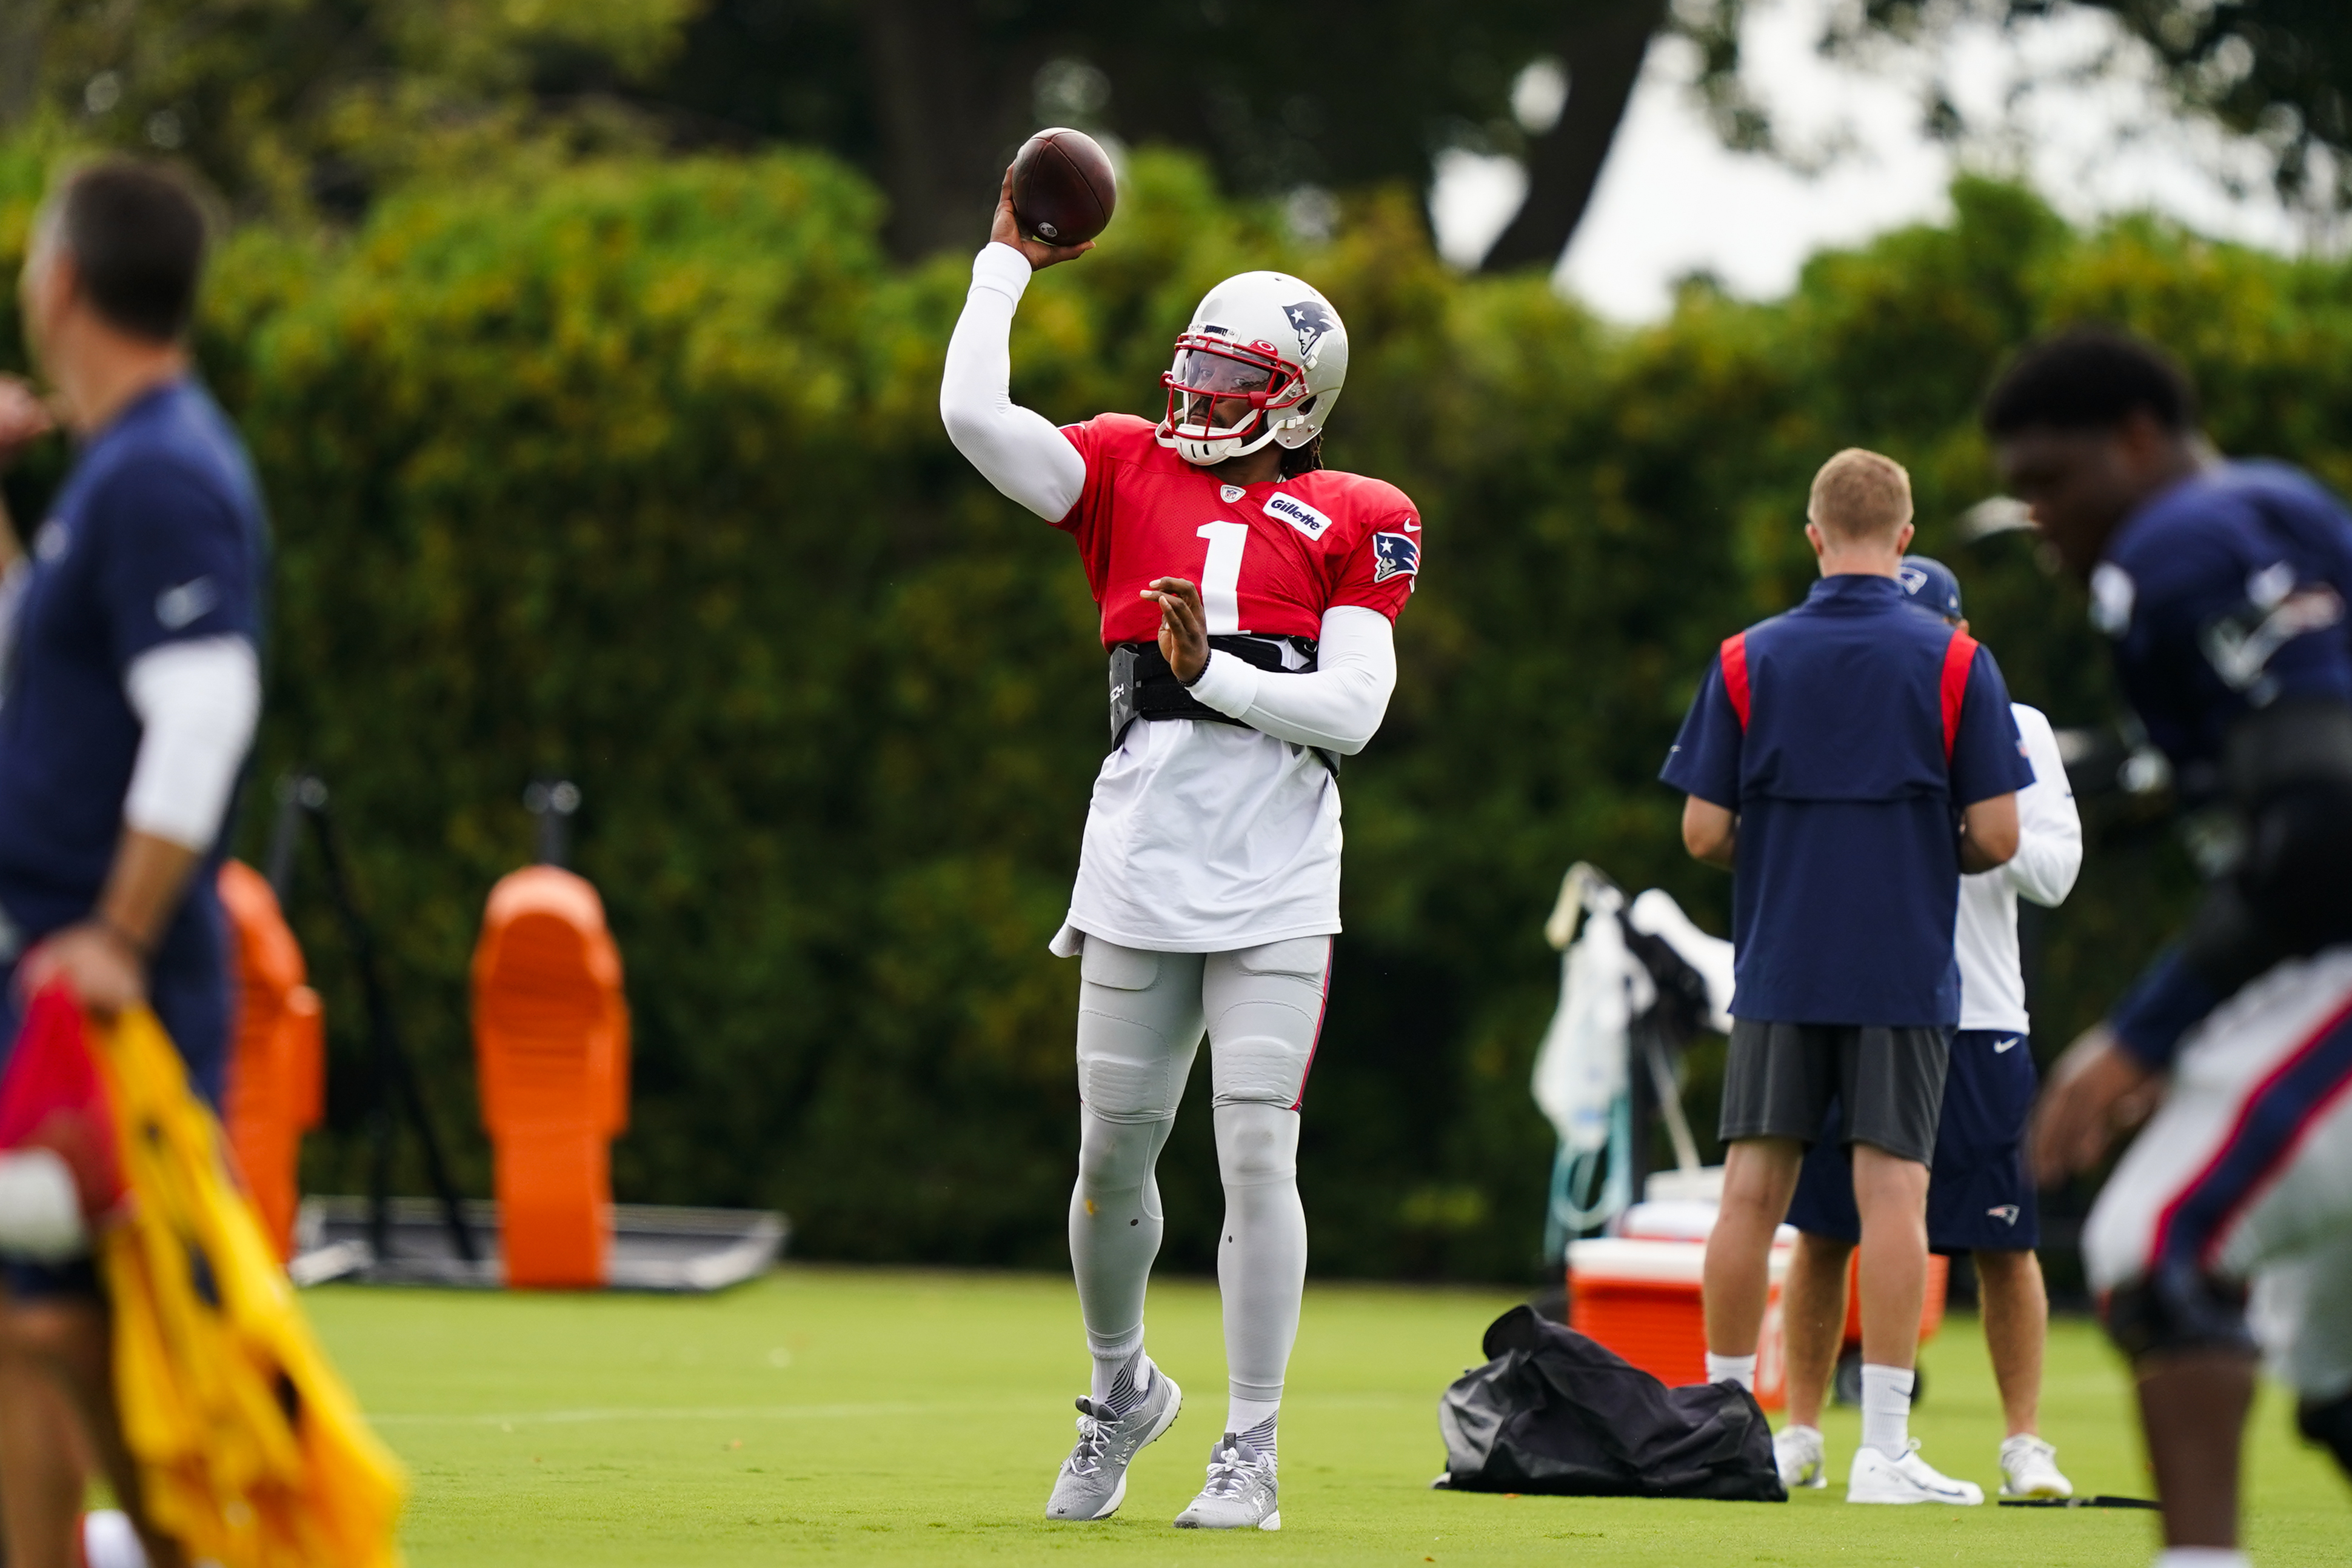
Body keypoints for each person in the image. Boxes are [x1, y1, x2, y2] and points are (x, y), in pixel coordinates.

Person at [938, 169, 1420, 1531]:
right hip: (1142, 857)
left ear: (1299, 400)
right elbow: (971, 414)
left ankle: (1251, 1447)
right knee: (1108, 1159)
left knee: (1257, 1154)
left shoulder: (1356, 513)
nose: (1199, 399)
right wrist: (1002, 267)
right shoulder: (1118, 465)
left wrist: (1214, 680)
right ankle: (1119, 1390)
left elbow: (1355, 710)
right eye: (1195, 371)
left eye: (1233, 380)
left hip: (1276, 867)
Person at [1992, 327, 2352, 1568]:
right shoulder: (2280, 500)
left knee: (2154, 1243)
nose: (2038, 519)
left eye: (2050, 482)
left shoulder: (2170, 546)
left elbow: (2314, 821)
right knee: (2331, 1358)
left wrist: (2140, 1032)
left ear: (2135, 441)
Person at [1662, 448, 2030, 1506]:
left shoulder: (1745, 658)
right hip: (1903, 968)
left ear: (1813, 533)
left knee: (1752, 1194)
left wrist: (1784, 855)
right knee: (1894, 1195)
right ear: (1906, 538)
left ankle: (1731, 1433)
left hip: (1781, 961)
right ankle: (1883, 1451)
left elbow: (1701, 832)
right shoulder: (1960, 663)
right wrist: (1919, 849)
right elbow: (2001, 836)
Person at [0, 159, 264, 1568]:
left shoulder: (163, 468)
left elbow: (206, 705)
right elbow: (30, 664)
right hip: (53, 981)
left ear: (62, 284)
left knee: (99, 1322)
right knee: (37, 1319)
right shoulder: (116, 473)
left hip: (110, 987)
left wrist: (114, 929)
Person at [1772, 555, 2082, 1498]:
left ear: (1962, 639)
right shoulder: (1848, 722)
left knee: (2002, 1239)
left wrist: (1971, 813)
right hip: (1856, 1003)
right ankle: (1800, 1432)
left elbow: (2056, 872)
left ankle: (2023, 1443)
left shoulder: (2018, 728)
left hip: (1979, 1013)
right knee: (1825, 1230)